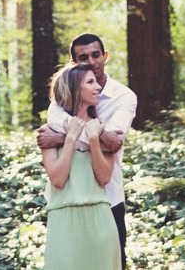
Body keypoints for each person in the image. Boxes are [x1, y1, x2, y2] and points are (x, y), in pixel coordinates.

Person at [37, 33, 137, 263]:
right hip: (66, 204)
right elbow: (104, 139)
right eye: (84, 58)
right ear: (73, 64)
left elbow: (113, 141)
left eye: (96, 55)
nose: (92, 62)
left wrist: (62, 137)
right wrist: (92, 135)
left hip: (108, 197)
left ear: (105, 56)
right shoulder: (58, 104)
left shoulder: (124, 97)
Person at [40, 62, 121, 270]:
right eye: (90, 82)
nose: (98, 87)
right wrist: (69, 139)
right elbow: (57, 180)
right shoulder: (49, 132)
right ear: (76, 88)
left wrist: (94, 139)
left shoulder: (104, 132)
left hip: (100, 220)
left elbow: (103, 178)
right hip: (64, 221)